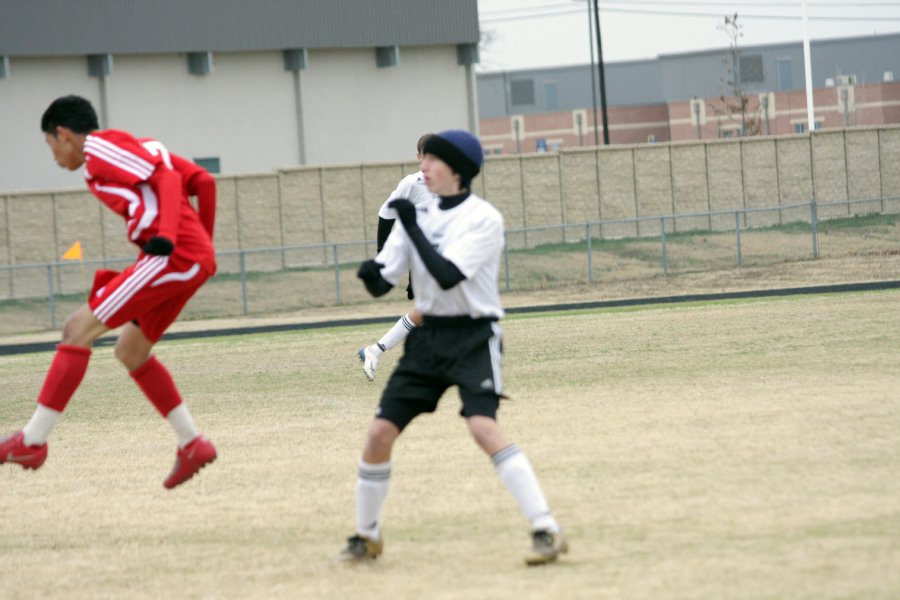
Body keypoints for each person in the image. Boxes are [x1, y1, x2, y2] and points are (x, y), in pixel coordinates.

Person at [340, 130, 568, 566]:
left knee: (483, 426)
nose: (423, 167)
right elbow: (381, 282)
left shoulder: (483, 219)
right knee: (378, 434)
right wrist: (370, 270)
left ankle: (546, 529)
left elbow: (447, 275)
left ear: (457, 171)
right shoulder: (418, 216)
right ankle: (366, 537)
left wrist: (407, 224)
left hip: (472, 336)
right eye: (424, 160)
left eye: (434, 161)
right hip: (426, 342)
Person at [0, 95, 217, 489]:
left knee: (75, 330)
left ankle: (32, 441)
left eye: (51, 145)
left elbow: (168, 180)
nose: (54, 156)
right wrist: (205, 245)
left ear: (64, 135)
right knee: (129, 350)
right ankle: (192, 444)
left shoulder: (101, 150)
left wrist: (169, 237)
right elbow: (202, 181)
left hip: (172, 255)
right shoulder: (126, 148)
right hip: (187, 256)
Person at [357, 133, 436, 381]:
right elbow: (386, 212)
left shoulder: (447, 183)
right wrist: (382, 254)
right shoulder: (411, 184)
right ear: (419, 157)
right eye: (429, 156)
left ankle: (375, 350)